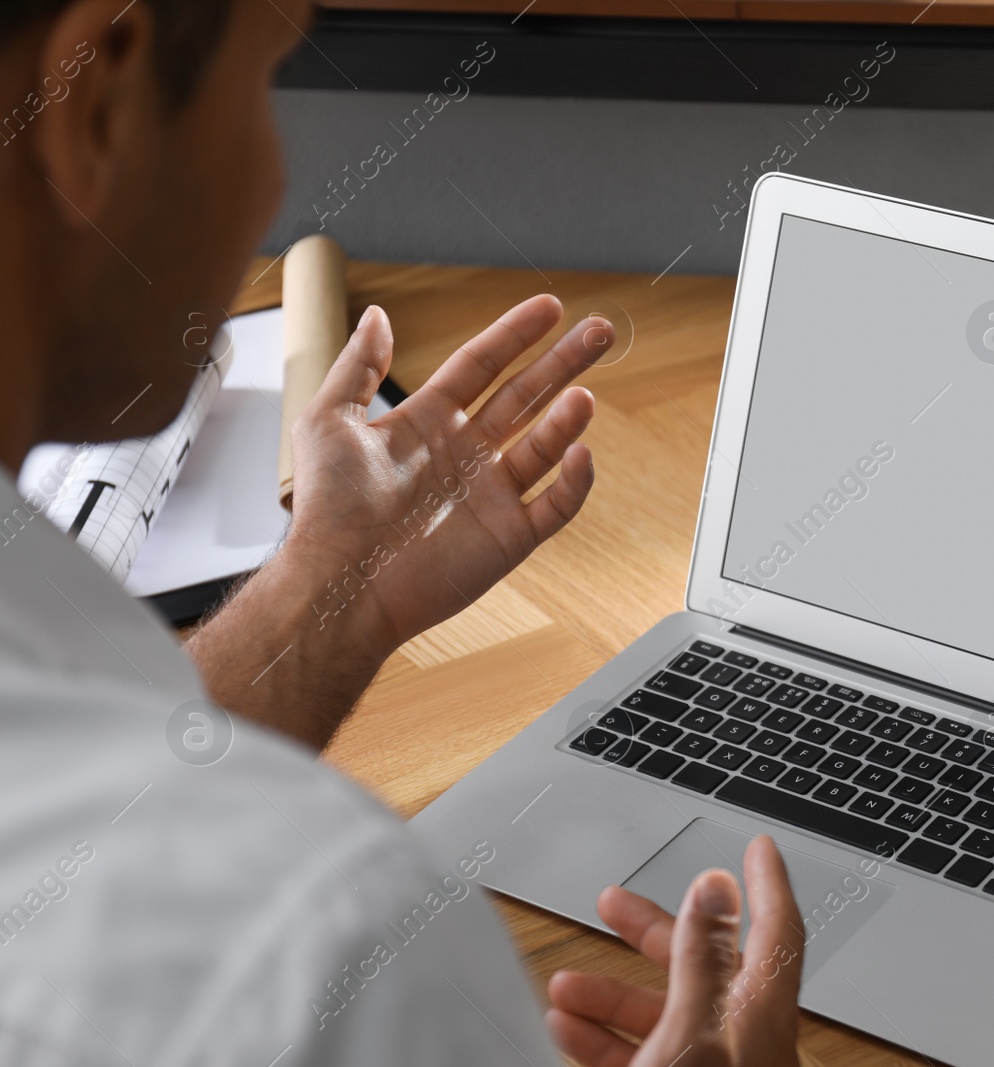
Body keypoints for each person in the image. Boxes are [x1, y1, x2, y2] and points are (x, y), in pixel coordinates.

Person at [0, 2, 805, 1064]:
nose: (274, 180)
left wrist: (335, 584)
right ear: (95, 105)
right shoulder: (326, 949)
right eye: (265, 81)